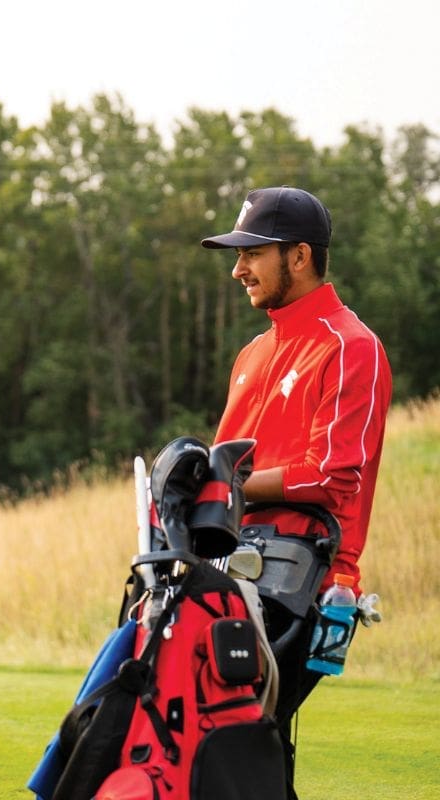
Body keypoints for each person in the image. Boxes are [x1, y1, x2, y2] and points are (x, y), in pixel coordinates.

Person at [201, 186, 392, 796]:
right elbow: (224, 466)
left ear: (300, 255)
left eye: (252, 253)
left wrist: (226, 483)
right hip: (232, 570)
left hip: (310, 579)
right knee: (243, 736)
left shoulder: (349, 346)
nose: (238, 269)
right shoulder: (253, 353)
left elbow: (330, 476)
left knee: (237, 731)